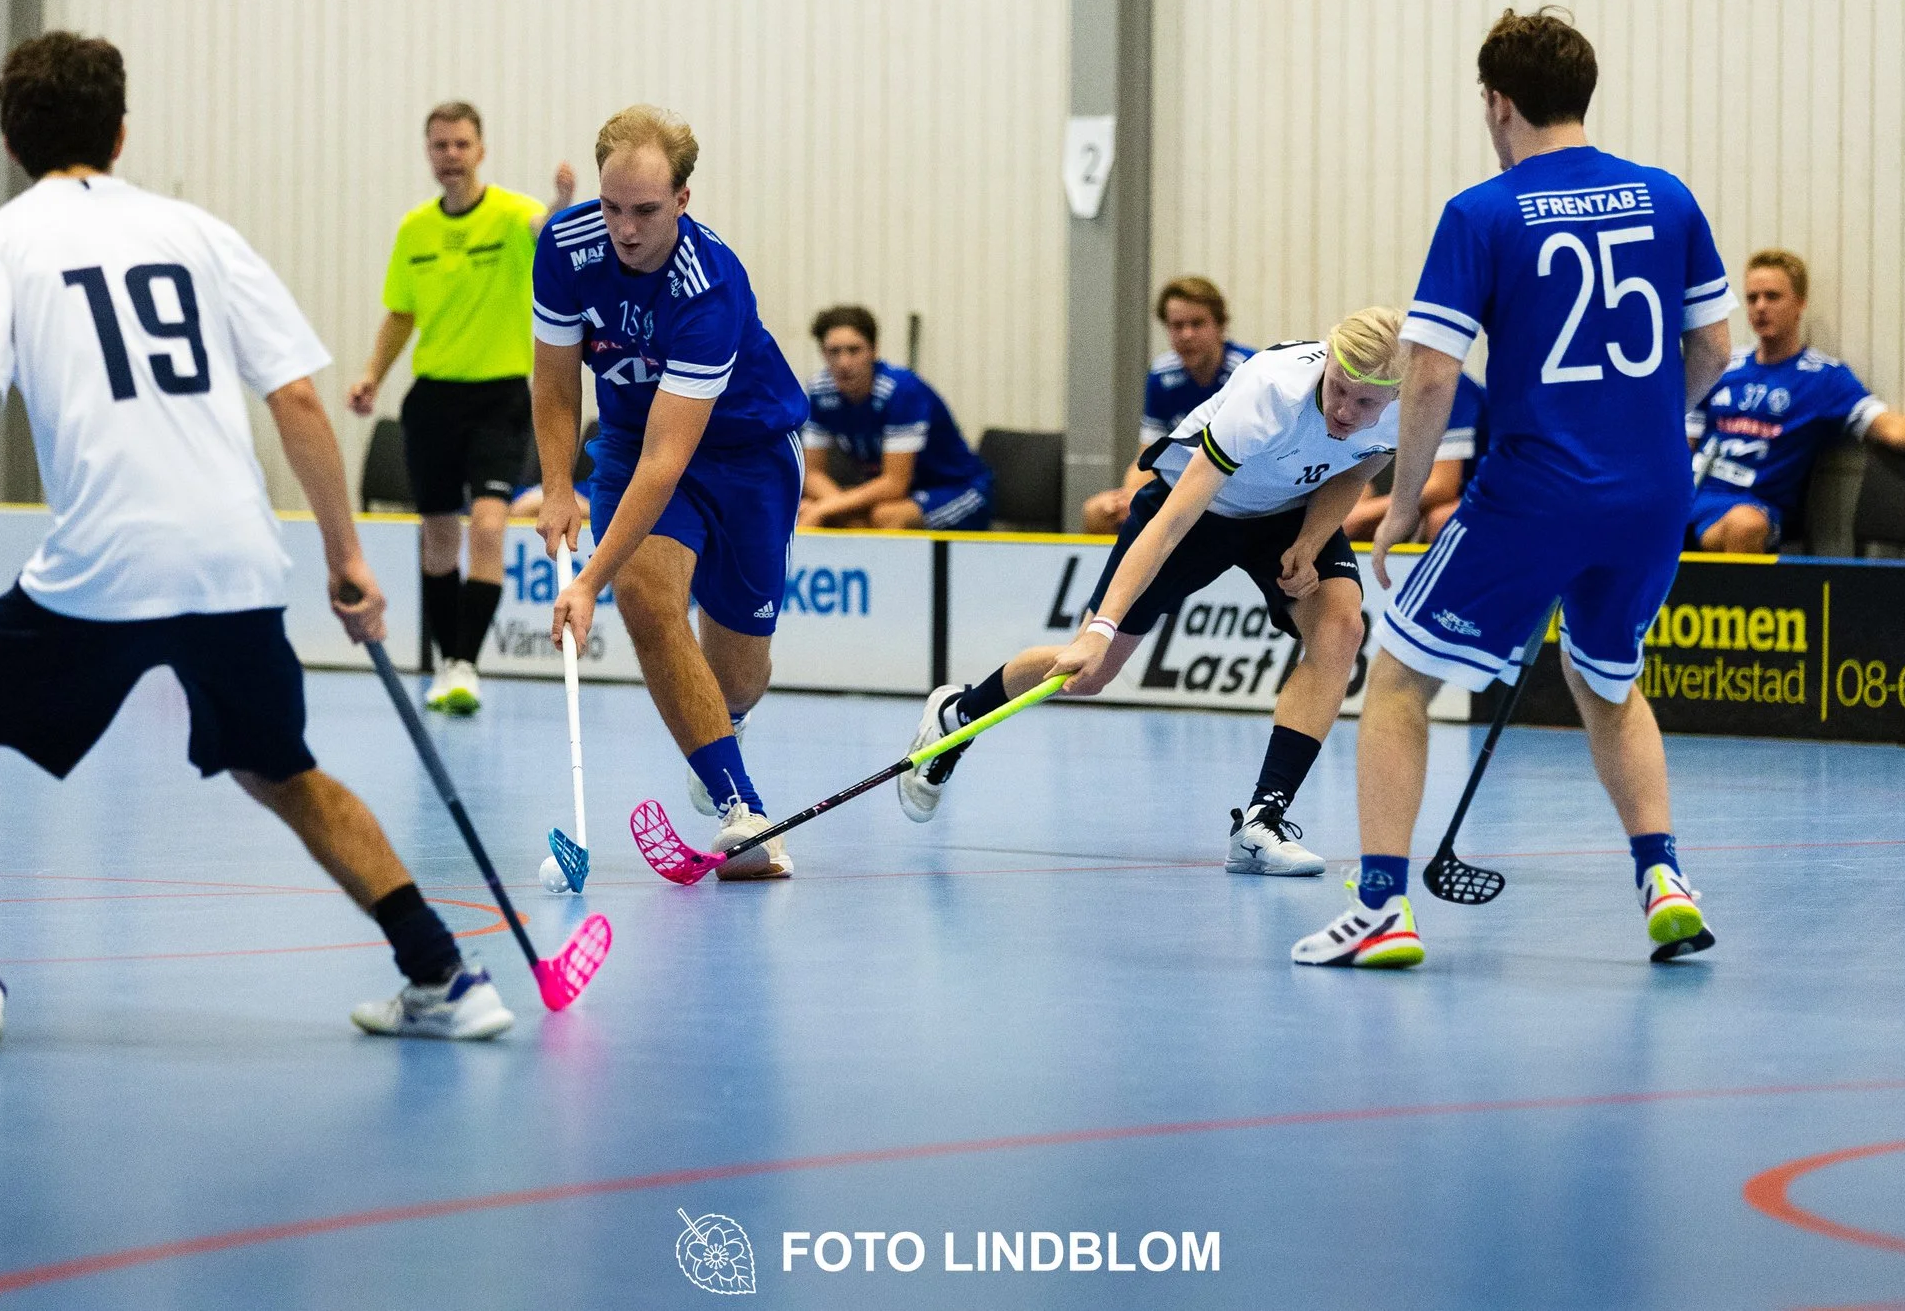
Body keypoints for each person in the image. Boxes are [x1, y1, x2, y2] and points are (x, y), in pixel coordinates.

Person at [0, 33, 510, 1049]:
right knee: (281, 768)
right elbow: (299, 395)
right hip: (233, 556)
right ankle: (444, 973)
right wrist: (346, 556)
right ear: (123, 130)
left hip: (107, 560)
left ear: (9, 139)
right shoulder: (202, 231)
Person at [1306, 9, 1736, 972]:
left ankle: (1380, 905)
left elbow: (1427, 374)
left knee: (1401, 679)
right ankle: (1663, 877)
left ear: (1498, 103)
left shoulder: (1485, 212)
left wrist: (1408, 498)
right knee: (1606, 678)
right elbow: (1712, 349)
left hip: (1537, 492)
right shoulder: (1670, 198)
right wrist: (1641, 424)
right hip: (1655, 493)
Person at [900, 313, 1405, 877]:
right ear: (1329, 362)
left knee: (1341, 629)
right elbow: (1171, 521)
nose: (1345, 413)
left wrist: (1311, 541)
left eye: (1365, 405)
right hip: (1198, 509)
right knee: (1088, 676)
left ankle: (1262, 820)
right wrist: (1100, 630)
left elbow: (1355, 471)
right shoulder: (1271, 391)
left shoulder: (1409, 405)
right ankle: (959, 712)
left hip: (1289, 512)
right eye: (1339, 391)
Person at [527, 106, 811, 880]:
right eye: (612, 205)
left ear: (682, 200)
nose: (624, 228)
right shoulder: (563, 247)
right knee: (648, 602)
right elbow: (554, 382)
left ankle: (728, 724)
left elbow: (670, 457)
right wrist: (558, 486)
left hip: (745, 452)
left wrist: (585, 580)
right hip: (626, 438)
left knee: (740, 670)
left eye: (645, 211)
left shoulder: (709, 284)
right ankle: (744, 812)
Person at [347, 105, 576, 715]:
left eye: (461, 144)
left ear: (481, 150)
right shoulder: (415, 230)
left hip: (499, 397)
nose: (450, 154)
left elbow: (545, 229)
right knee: (438, 538)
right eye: (439, 144)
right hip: (433, 401)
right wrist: (372, 375)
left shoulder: (508, 214)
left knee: (490, 526)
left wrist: (559, 205)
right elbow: (400, 314)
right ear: (428, 152)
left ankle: (467, 663)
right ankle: (447, 664)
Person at [1687, 249, 1905, 553]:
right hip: (1690, 497)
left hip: (1751, 508)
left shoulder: (1823, 378)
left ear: (1800, 303)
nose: (1760, 307)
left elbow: (1889, 428)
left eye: (1772, 297)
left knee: (1746, 527)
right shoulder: (1724, 365)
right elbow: (1682, 443)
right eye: (1752, 298)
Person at [1081, 277, 1254, 534]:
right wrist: (1129, 497)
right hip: (1181, 487)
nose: (1186, 335)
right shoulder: (1161, 376)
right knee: (1096, 512)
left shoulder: (1249, 372)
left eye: (1197, 324)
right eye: (1177, 326)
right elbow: (1149, 455)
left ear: (1220, 326)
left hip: (1243, 492)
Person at [799, 306, 995, 531]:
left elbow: (895, 484)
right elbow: (812, 473)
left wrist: (825, 508)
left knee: (885, 517)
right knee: (816, 510)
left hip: (958, 489)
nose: (844, 362)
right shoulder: (820, 391)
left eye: (854, 350)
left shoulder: (901, 390)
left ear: (873, 351)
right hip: (898, 494)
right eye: (834, 352)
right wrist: (833, 509)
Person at [1345, 372, 1485, 543]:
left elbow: (1442, 487)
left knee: (1440, 521)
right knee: (1354, 521)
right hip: (1448, 489)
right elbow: (1358, 478)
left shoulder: (1447, 384)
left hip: (1494, 488)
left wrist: (1361, 514)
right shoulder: (1373, 384)